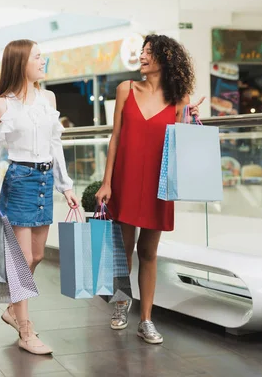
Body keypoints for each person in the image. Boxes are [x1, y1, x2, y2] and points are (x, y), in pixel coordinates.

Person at [95, 34, 203, 344]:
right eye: (141, 51)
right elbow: (115, 137)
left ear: (165, 59)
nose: (142, 56)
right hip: (126, 180)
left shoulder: (179, 99)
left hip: (159, 183)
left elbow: (181, 143)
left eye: (148, 52)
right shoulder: (126, 89)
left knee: (149, 253)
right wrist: (106, 182)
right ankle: (120, 307)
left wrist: (192, 118)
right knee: (123, 252)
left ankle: (146, 320)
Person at [0, 39, 79, 355]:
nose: (43, 61)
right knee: (21, 259)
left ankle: (12, 308)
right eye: (38, 57)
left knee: (36, 256)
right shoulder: (1, 106)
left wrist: (66, 186)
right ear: (20, 62)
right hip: (20, 180)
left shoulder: (48, 98)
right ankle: (25, 330)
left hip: (44, 180)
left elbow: (55, 146)